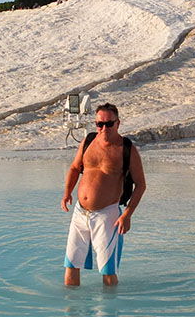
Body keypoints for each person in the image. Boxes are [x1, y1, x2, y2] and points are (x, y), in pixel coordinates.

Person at [62, 104, 146, 287]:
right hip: (80, 212)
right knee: (71, 265)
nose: (104, 129)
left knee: (108, 271)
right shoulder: (88, 141)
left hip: (107, 215)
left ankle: (108, 312)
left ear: (118, 123)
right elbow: (75, 167)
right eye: (100, 124)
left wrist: (127, 215)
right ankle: (73, 313)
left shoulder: (127, 149)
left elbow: (141, 185)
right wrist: (67, 192)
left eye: (109, 124)